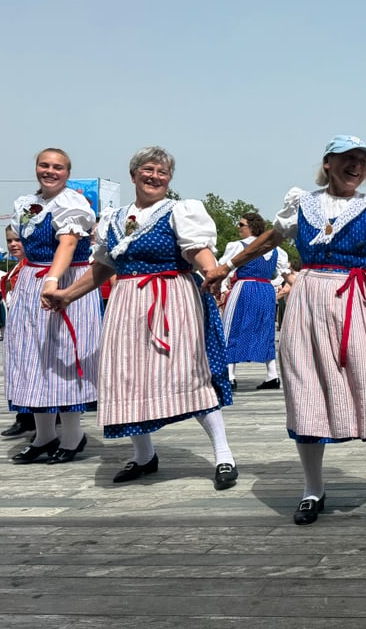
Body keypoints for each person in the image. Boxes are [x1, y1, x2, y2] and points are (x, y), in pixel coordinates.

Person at [202, 135, 366, 525]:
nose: (357, 165)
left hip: (358, 300)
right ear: (328, 163)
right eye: (348, 158)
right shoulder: (303, 203)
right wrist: (227, 266)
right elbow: (271, 239)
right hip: (310, 300)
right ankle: (313, 488)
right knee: (305, 388)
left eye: (362, 160)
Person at [44, 146, 239, 489]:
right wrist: (66, 296)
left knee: (188, 371)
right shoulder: (114, 219)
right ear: (133, 174)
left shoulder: (179, 211)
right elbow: (103, 267)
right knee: (127, 375)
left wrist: (212, 273)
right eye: (148, 170)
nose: (155, 177)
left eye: (163, 172)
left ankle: (224, 455)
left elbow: (197, 250)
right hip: (126, 304)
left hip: (171, 298)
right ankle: (145, 456)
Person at [7, 148, 101, 465]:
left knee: (62, 356)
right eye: (44, 165)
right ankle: (44, 435)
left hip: (65, 281)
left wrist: (52, 280)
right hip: (32, 279)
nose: (50, 171)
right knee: (31, 357)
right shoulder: (25, 204)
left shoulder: (72, 204)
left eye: (57, 167)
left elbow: (69, 243)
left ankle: (73, 436)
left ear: (67, 172)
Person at [218, 211, 291, 391]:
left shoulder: (237, 246)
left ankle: (230, 375)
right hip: (266, 290)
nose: (238, 228)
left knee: (232, 328)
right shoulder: (276, 250)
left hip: (245, 287)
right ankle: (272, 375)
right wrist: (275, 284)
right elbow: (285, 273)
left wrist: (221, 288)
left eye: (241, 225)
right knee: (265, 330)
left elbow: (223, 267)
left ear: (250, 227)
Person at [0, 226, 37, 438]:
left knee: (30, 374)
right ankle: (25, 418)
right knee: (19, 373)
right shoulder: (17, 267)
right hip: (16, 327)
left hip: (29, 327)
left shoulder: (31, 266)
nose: (13, 244)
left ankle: (32, 419)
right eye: (9, 241)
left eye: (17, 240)